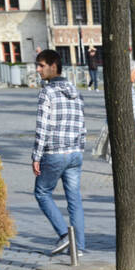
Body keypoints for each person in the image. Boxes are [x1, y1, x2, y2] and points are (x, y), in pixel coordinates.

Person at [31, 49, 86, 257]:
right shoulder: (75, 90)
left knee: (42, 192)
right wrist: (79, 148)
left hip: (54, 152)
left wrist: (36, 156)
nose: (38, 69)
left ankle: (64, 234)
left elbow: (42, 126)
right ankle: (79, 247)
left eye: (41, 65)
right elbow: (82, 123)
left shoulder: (48, 92)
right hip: (75, 153)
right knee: (75, 200)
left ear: (54, 66)